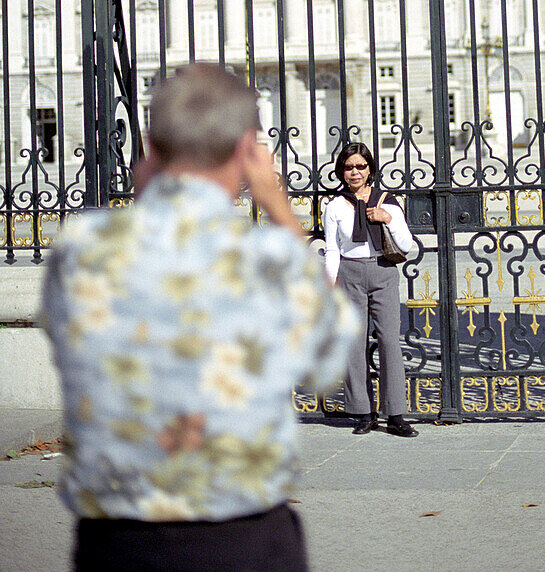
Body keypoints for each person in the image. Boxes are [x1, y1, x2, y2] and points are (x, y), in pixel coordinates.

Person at [41, 62, 359, 572]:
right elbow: (328, 367)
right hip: (242, 537)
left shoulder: (81, 248)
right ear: (247, 152)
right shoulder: (271, 258)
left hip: (117, 541)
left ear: (150, 147)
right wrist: (278, 206)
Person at [323, 142, 417, 437]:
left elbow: (406, 245)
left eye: (360, 167)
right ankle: (362, 412)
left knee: (389, 340)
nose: (354, 172)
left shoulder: (387, 201)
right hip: (349, 274)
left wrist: (387, 219)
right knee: (354, 343)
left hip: (383, 272)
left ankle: (396, 414)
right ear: (341, 171)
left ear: (370, 170)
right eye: (349, 167)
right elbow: (332, 249)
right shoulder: (336, 206)